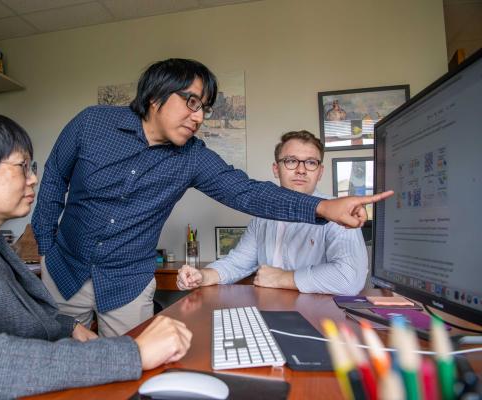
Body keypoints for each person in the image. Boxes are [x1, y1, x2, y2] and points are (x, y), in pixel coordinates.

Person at [32, 58, 392, 337]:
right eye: (191, 102)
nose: (199, 116)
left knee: (131, 371)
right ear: (156, 95)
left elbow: (247, 192)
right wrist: (46, 249)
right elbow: (52, 181)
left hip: (127, 283)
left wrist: (323, 207)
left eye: (204, 107)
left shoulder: (192, 157)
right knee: (57, 363)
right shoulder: (91, 123)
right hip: (64, 269)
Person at [0, 113, 192, 400]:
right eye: (21, 166)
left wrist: (67, 326)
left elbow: (5, 316)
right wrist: (132, 354)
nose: (33, 178)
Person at [176, 130, 368, 295]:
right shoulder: (262, 218)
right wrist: (203, 275)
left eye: (310, 163)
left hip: (319, 318)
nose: (301, 170)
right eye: (291, 161)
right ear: (276, 169)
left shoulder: (339, 214)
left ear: (320, 172)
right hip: (269, 310)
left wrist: (284, 278)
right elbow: (238, 262)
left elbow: (349, 278)